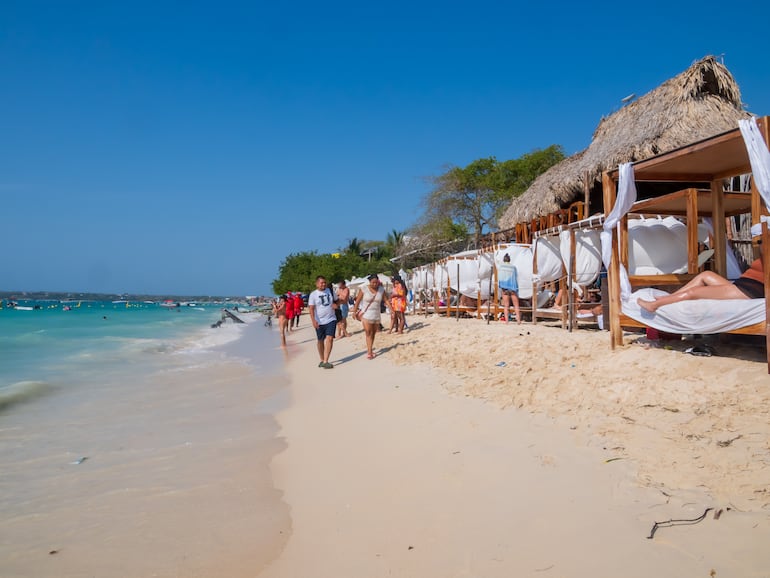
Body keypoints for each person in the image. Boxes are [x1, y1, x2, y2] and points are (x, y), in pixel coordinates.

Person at [637, 257, 764, 313]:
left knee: (695, 292)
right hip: (741, 285)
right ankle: (668, 299)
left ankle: (654, 305)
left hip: (749, 291)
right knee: (706, 275)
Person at [352, 274, 389, 359]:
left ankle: (370, 348)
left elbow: (386, 300)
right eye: (373, 282)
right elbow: (357, 301)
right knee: (368, 332)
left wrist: (391, 310)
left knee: (373, 333)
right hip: (366, 313)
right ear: (370, 282)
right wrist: (354, 311)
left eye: (376, 282)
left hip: (376, 314)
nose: (375, 284)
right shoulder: (364, 289)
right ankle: (369, 352)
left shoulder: (381, 290)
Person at [308, 276, 338, 369]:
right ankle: (322, 359)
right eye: (321, 283)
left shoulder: (330, 291)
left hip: (331, 319)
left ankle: (326, 360)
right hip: (319, 321)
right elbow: (311, 309)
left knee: (330, 338)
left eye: (325, 282)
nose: (324, 284)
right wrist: (313, 321)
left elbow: (338, 301)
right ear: (317, 284)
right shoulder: (313, 294)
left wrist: (336, 305)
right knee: (320, 341)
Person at [498, 253, 521, 324]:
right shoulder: (513, 267)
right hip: (512, 288)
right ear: (509, 260)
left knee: (506, 306)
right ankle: (518, 321)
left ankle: (507, 321)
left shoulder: (501, 267)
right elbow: (516, 277)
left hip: (504, 288)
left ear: (503, 260)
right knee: (516, 305)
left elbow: (500, 278)